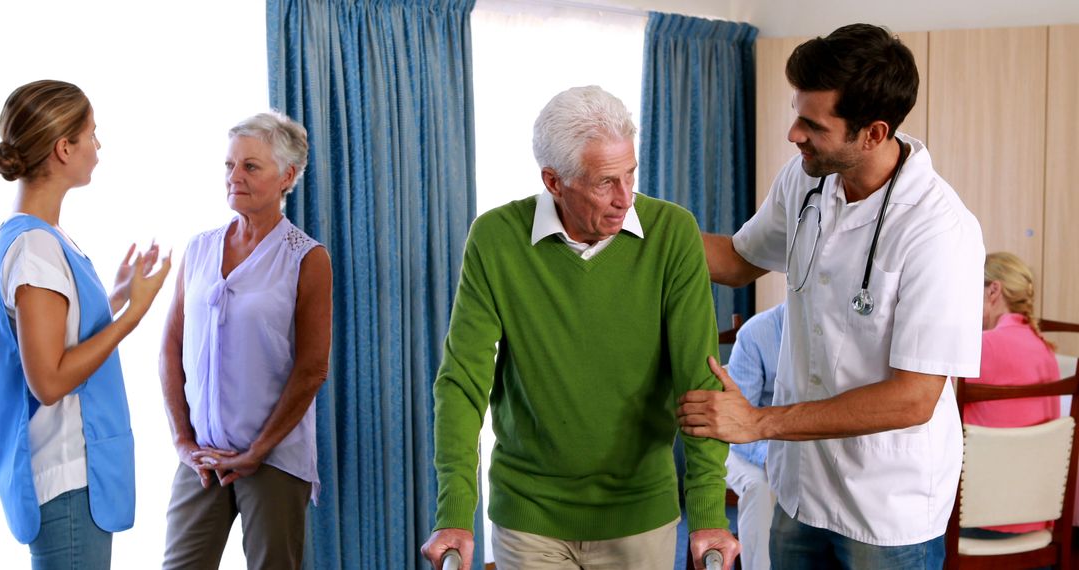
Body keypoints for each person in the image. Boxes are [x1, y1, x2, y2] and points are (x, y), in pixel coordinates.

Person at [676, 24, 985, 568]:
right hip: (800, 490)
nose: (793, 134)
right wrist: (638, 220)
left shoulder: (940, 230)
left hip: (885, 509)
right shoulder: (805, 181)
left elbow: (913, 398)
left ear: (872, 132)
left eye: (812, 124)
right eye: (796, 114)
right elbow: (737, 261)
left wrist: (759, 422)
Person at [420, 86, 739, 570]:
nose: (624, 198)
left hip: (640, 514)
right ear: (554, 181)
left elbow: (699, 380)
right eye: (605, 182)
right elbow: (462, 383)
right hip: (530, 514)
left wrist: (709, 512)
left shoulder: (672, 233)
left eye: (630, 174)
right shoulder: (496, 239)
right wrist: (455, 513)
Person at [0, 79, 171, 568]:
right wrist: (132, 315)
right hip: (68, 481)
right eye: (92, 134)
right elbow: (49, 380)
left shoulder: (40, 239)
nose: (98, 147)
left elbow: (56, 330)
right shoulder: (36, 250)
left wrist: (113, 296)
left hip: (75, 479)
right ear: (63, 147)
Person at [159, 111, 332, 570]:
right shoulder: (199, 249)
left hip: (273, 458)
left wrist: (258, 451)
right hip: (202, 458)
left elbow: (313, 367)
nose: (234, 176)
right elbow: (170, 348)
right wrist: (181, 439)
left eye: (250, 166)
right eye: (230, 165)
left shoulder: (307, 259)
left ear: (287, 177)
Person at [960, 251, 1059, 537]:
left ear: (994, 290)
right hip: (1039, 516)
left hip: (980, 518)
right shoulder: (1043, 348)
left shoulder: (983, 347)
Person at [724, 303, 783, 570]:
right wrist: (773, 457)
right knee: (761, 486)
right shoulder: (756, 333)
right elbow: (738, 427)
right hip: (746, 448)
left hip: (806, 445)